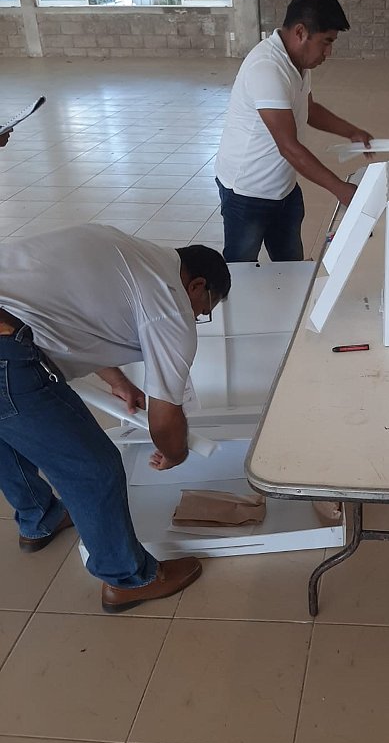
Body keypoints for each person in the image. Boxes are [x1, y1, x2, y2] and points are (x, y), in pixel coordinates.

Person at [0, 224, 232, 613]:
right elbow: (164, 417)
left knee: (6, 430)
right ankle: (127, 579)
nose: (196, 317)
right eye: (203, 310)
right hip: (6, 351)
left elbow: (74, 319)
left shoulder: (128, 252)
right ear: (196, 285)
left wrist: (118, 380)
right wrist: (174, 453)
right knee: (94, 469)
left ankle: (40, 518)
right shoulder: (171, 306)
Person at [216, 0, 373, 263]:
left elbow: (308, 109)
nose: (329, 52)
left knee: (290, 270)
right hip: (247, 194)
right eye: (326, 42)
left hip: (283, 190)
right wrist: (340, 189)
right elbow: (288, 147)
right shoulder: (267, 68)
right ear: (300, 32)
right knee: (240, 273)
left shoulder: (298, 63)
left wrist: (351, 131)